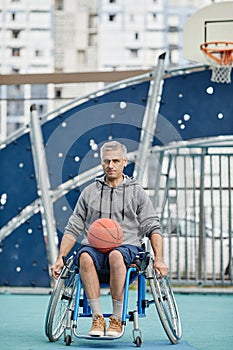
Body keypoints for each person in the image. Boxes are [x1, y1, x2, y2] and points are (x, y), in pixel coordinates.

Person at [51, 140, 168, 337]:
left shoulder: (136, 191)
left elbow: (152, 225)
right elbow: (73, 227)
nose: (110, 165)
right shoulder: (90, 192)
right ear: (101, 163)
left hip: (127, 247)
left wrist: (159, 259)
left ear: (124, 162)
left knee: (116, 255)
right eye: (106, 161)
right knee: (84, 257)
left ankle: (116, 319)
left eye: (115, 161)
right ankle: (98, 318)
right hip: (95, 248)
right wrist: (59, 257)